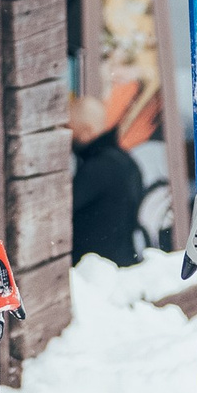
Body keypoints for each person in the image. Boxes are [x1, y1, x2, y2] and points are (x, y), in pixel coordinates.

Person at [69, 91, 146, 264]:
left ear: (87, 131)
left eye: (69, 128)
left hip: (97, 270)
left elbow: (62, 211)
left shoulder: (96, 168)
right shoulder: (127, 162)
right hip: (124, 262)